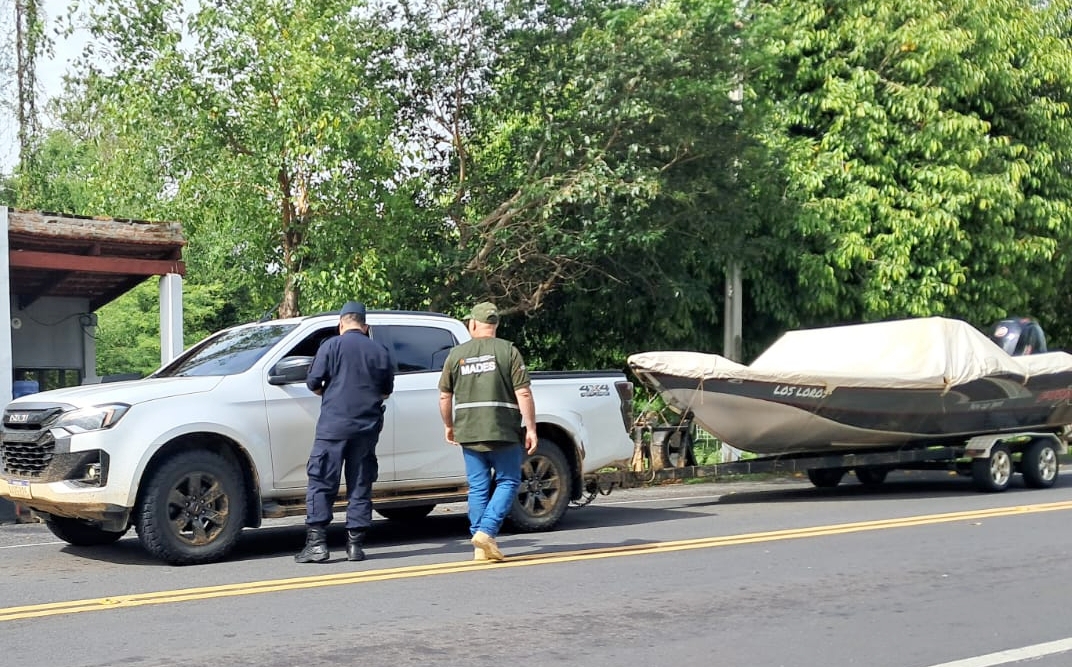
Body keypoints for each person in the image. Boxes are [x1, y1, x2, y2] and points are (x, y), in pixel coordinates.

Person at [438, 301, 539, 562]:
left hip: (469, 430)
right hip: (503, 430)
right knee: (508, 480)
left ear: (472, 324)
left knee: (479, 486)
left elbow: (444, 397)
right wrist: (531, 427)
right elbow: (523, 392)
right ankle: (486, 532)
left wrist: (449, 425)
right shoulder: (508, 351)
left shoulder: (456, 354)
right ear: (495, 325)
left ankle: (480, 544)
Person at [295, 300, 395, 563]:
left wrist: (330, 392)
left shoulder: (330, 346)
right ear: (365, 326)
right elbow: (386, 391)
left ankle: (317, 545)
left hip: (333, 426)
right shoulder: (379, 350)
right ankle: (355, 546)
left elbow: (313, 383)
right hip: (366, 427)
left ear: (341, 324)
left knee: (321, 481)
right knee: (360, 482)